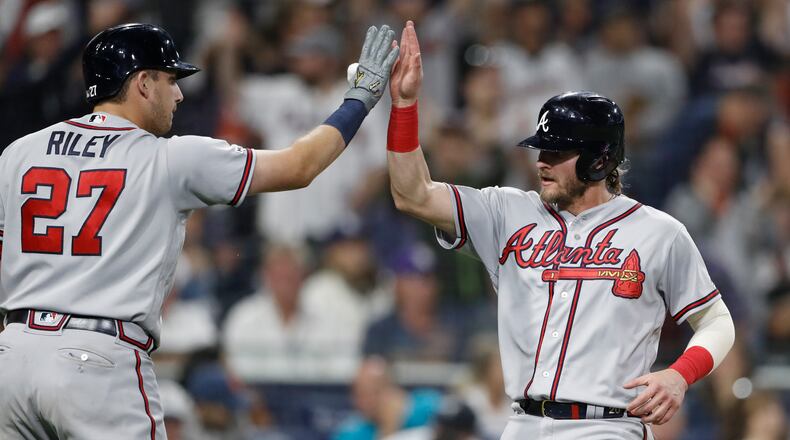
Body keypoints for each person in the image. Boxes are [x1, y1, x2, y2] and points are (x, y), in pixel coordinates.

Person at [0, 22, 398, 438]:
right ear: (142, 83)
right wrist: (360, 98)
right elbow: (299, 166)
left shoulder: (20, 152)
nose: (179, 93)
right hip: (98, 362)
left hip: (12, 356)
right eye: (170, 79)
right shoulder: (172, 157)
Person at [385, 21, 736, 439]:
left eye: (558, 150)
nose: (542, 161)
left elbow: (717, 321)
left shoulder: (658, 233)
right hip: (521, 424)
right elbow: (413, 194)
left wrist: (680, 374)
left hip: (605, 426)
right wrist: (405, 105)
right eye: (541, 148)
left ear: (600, 160)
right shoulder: (506, 211)